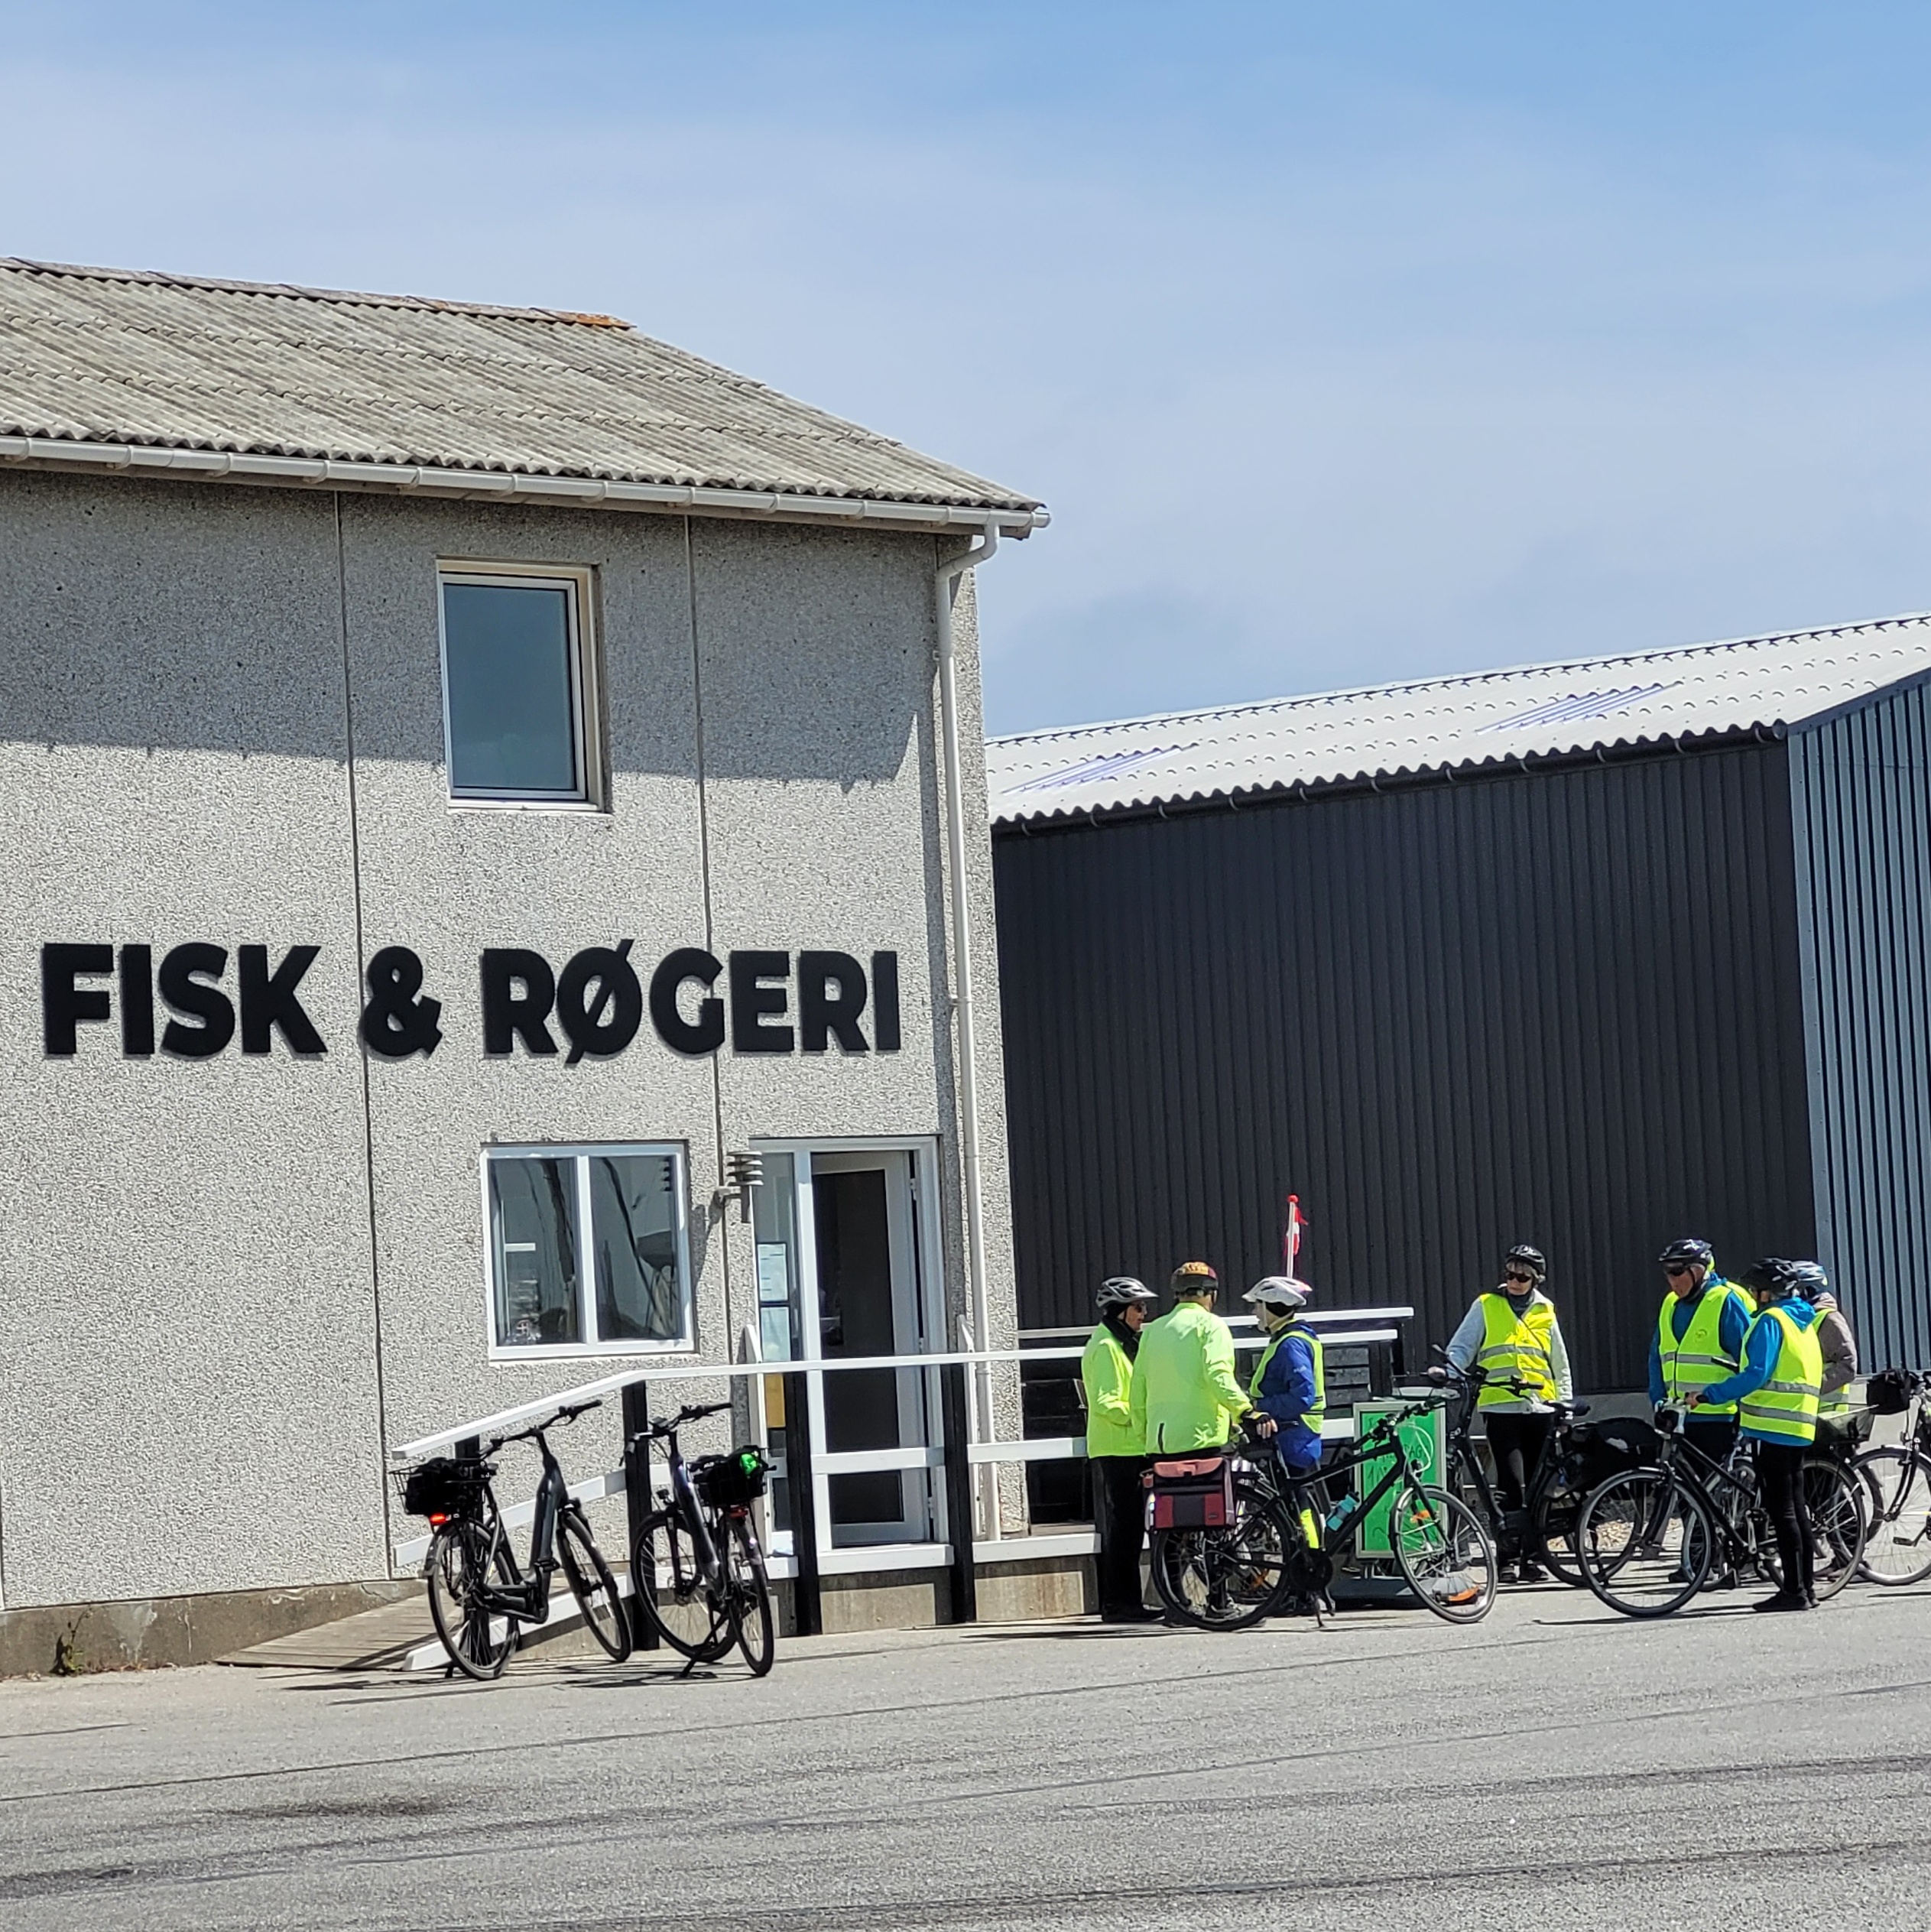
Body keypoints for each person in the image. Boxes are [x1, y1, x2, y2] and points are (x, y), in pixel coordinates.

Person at [1687, 1256, 1824, 1611]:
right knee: (1797, 1509)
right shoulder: (1802, 1322)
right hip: (1799, 1424)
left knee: (1783, 1511)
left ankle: (1793, 1591)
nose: (1751, 1295)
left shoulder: (1770, 1321)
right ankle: (1806, 1587)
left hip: (1770, 1426)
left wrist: (1710, 1394)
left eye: (1754, 1290)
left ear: (1767, 1293)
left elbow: (1756, 1374)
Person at [1444, 1244, 1573, 1582]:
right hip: (1500, 1407)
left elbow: (1559, 1364)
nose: (1515, 1281)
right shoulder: (1486, 1305)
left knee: (1539, 1487)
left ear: (1536, 1279)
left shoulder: (1546, 1310)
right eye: (1510, 1274)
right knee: (1510, 1483)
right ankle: (1506, 1558)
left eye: (1523, 1277)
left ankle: (1533, 1558)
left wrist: (1565, 1407)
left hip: (1541, 1407)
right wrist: (1449, 1373)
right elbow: (1462, 1347)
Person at [1080, 1276, 1159, 1623]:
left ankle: (1125, 1602)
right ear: (1119, 1311)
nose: (1144, 1314)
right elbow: (1106, 1402)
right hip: (1117, 1448)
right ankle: (1119, 1604)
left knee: (1130, 1527)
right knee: (1125, 1528)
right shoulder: (1106, 1347)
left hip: (1129, 1446)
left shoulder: (1122, 1343)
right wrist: (1142, 1418)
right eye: (1138, 1307)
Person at [1649, 1237, 1754, 1466]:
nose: (1671, 1280)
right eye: (1667, 1273)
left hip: (1718, 1418)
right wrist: (1657, 1400)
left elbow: (1749, 1362)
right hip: (1676, 1415)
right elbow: (1657, 1357)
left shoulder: (1725, 1301)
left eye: (1677, 1272)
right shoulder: (1670, 1303)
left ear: (1698, 1270)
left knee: (1713, 1484)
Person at [1129, 1261, 1252, 1456]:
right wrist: (1244, 1410)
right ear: (1213, 1295)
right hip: (1204, 1441)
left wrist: (1145, 1435)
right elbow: (1217, 1374)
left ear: (1177, 1295)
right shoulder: (1212, 1325)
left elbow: (1137, 1388)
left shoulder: (1153, 1331)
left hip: (1160, 1444)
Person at [1241, 1277, 1326, 1476]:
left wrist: (1260, 1406)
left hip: (1294, 1437)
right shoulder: (1287, 1338)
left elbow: (1303, 1396)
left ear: (1271, 1306)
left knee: (1292, 1492)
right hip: (1295, 1436)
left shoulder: (1291, 1344)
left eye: (1257, 1305)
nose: (1254, 1312)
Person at [1796, 1263, 1858, 1425]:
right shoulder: (1804, 1319)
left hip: (1827, 1413)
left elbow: (1848, 1365)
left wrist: (1813, 1387)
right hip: (1807, 1410)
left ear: (1807, 1290)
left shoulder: (1829, 1319)